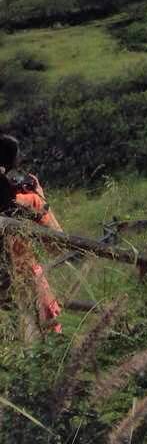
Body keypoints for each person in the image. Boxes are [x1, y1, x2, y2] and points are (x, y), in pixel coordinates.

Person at [1, 134, 63, 335]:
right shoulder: (26, 196)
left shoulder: (17, 193)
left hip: (16, 272)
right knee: (46, 325)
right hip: (22, 271)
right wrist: (39, 197)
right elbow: (56, 241)